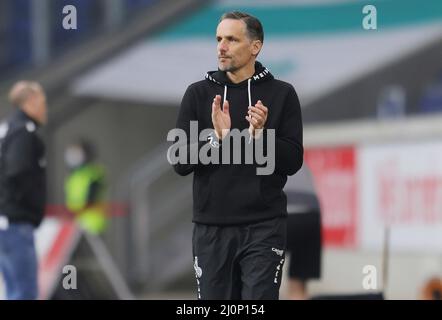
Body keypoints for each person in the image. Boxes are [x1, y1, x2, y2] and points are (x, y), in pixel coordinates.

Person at [171, 11, 303, 300]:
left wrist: (260, 136)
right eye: (219, 39)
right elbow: (179, 160)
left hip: (264, 227)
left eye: (231, 39)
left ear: (255, 47)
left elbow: (293, 161)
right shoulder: (197, 94)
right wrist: (217, 138)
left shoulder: (282, 94)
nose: (221, 46)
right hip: (211, 229)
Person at [0, 81, 47, 300]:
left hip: (5, 223)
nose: (45, 108)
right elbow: (18, 171)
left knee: (13, 291)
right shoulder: (24, 132)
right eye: (42, 102)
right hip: (16, 223)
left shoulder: (6, 128)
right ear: (30, 102)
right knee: (25, 293)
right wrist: (24, 207)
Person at [284, 164, 322, 300]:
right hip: (311, 215)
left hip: (284, 213)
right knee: (298, 286)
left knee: (255, 280)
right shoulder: (297, 157)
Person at [64, 139, 107, 236]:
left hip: (92, 225)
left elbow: (91, 199)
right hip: (75, 226)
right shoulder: (73, 176)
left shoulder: (94, 173)